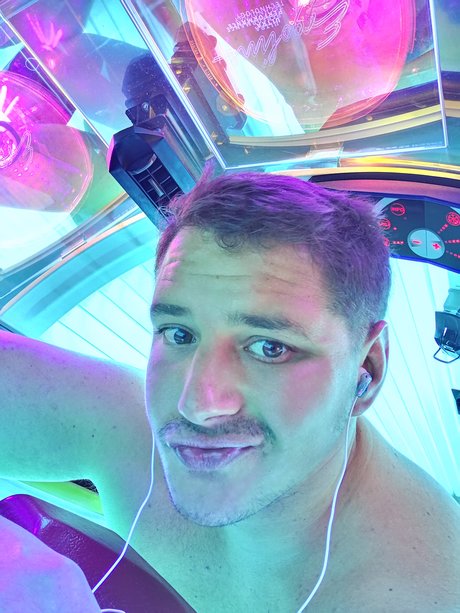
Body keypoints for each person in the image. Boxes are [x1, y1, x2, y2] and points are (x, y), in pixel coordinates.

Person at [0, 171, 459, 612]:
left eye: (269, 348)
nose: (196, 405)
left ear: (367, 369)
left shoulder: (419, 596)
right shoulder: (127, 428)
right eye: (180, 334)